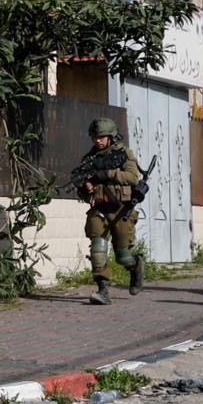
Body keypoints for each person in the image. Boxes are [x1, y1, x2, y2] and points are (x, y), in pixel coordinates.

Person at [75, 118, 144, 305]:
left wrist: (108, 174)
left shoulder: (123, 154)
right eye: (95, 137)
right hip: (99, 208)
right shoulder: (89, 159)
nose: (97, 141)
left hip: (122, 210)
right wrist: (85, 188)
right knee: (97, 249)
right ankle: (103, 291)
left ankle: (136, 267)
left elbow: (131, 177)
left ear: (110, 136)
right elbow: (81, 182)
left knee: (123, 256)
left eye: (101, 137)